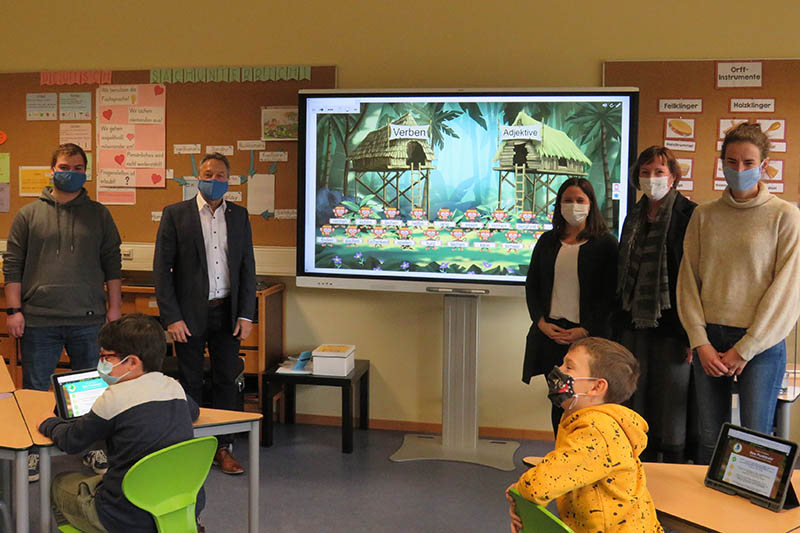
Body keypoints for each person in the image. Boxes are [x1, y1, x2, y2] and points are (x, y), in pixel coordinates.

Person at [677, 122, 800, 464]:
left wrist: (744, 349)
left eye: (748, 163)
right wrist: (698, 341)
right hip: (709, 341)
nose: (739, 170)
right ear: (722, 163)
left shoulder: (785, 216)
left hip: (759, 345)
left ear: (764, 165)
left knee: (755, 438)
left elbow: (787, 292)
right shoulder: (704, 215)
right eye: (731, 162)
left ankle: (750, 515)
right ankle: (708, 513)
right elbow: (688, 282)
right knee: (709, 437)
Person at [3, 142, 121, 480]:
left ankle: (93, 447)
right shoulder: (28, 214)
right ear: (51, 169)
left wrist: (114, 310)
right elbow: (12, 266)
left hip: (89, 319)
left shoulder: (99, 214)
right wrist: (13, 311)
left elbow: (112, 263)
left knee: (93, 391)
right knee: (38, 390)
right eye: (65, 167)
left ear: (86, 173)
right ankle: (36, 451)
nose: (71, 173)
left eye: (78, 168)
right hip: (39, 320)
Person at [38, 314, 202, 533]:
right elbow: (194, 412)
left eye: (106, 357)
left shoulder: (113, 398)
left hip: (126, 515)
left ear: (132, 362)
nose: (102, 363)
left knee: (61, 483)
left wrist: (50, 423)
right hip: (182, 504)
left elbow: (71, 441)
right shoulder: (173, 387)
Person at [154, 152, 256, 474]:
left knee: (227, 380)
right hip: (187, 316)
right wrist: (171, 316)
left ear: (230, 180)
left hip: (227, 313)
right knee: (190, 382)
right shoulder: (176, 214)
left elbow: (246, 267)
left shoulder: (239, 216)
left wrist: (246, 314)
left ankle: (223, 448)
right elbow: (161, 270)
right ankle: (191, 446)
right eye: (208, 174)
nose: (214, 181)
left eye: (221, 175)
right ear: (197, 177)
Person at [506, 337, 663, 533]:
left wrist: (520, 492)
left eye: (569, 367)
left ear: (596, 387)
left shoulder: (597, 431)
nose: (559, 371)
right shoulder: (580, 419)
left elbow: (540, 484)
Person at [616, 146, 697, 463]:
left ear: (674, 177)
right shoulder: (632, 217)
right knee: (635, 398)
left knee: (671, 403)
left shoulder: (690, 215)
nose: (652, 178)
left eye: (659, 172)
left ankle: (673, 468)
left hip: (674, 326)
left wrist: (693, 334)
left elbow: (694, 276)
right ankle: (638, 464)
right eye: (646, 172)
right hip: (633, 324)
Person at [522, 177, 617, 436]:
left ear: (590, 205)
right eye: (568, 200)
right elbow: (533, 285)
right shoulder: (547, 241)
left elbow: (610, 295)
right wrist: (541, 322)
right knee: (560, 402)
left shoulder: (605, 244)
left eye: (579, 200)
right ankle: (561, 453)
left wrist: (585, 329)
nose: (573, 205)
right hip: (551, 334)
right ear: (559, 204)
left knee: (588, 405)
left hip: (589, 337)